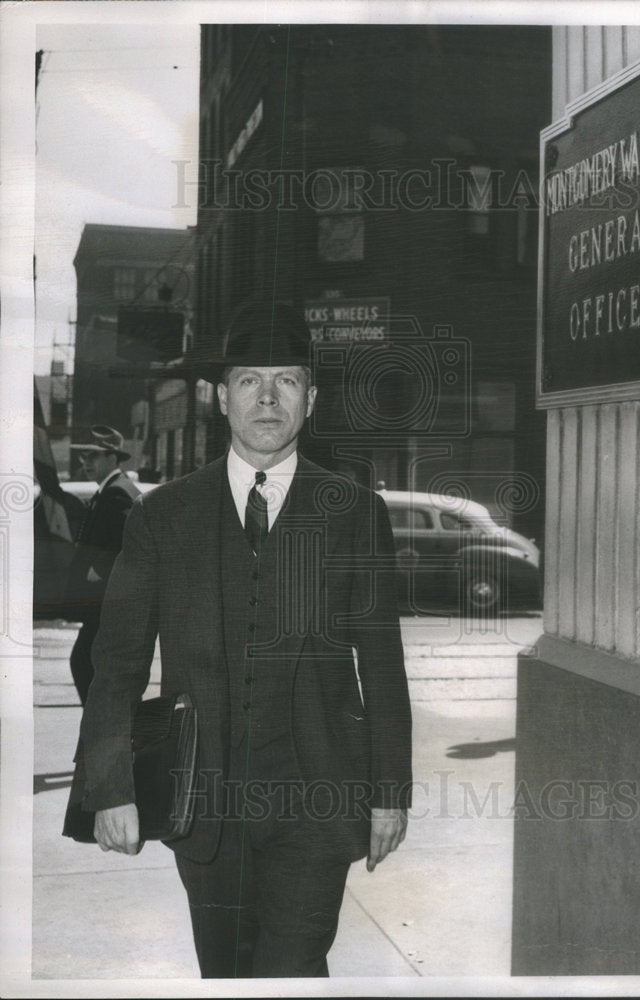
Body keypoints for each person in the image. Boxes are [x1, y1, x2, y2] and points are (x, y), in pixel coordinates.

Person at [75, 301, 412, 978]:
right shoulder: (163, 516)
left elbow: (380, 662)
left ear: (310, 399)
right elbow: (117, 662)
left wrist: (389, 791)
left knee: (291, 970)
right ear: (220, 396)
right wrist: (108, 787)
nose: (267, 397)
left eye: (286, 380)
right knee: (226, 975)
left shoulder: (352, 512)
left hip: (316, 802)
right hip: (204, 804)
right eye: (249, 380)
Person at [66, 426, 140, 705]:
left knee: (84, 663)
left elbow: (128, 543)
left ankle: (103, 733)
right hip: (108, 603)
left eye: (93, 456)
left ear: (112, 458)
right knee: (95, 669)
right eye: (84, 456)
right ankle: (103, 732)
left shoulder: (117, 493)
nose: (86, 462)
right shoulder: (111, 489)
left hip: (109, 603)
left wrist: (99, 569)